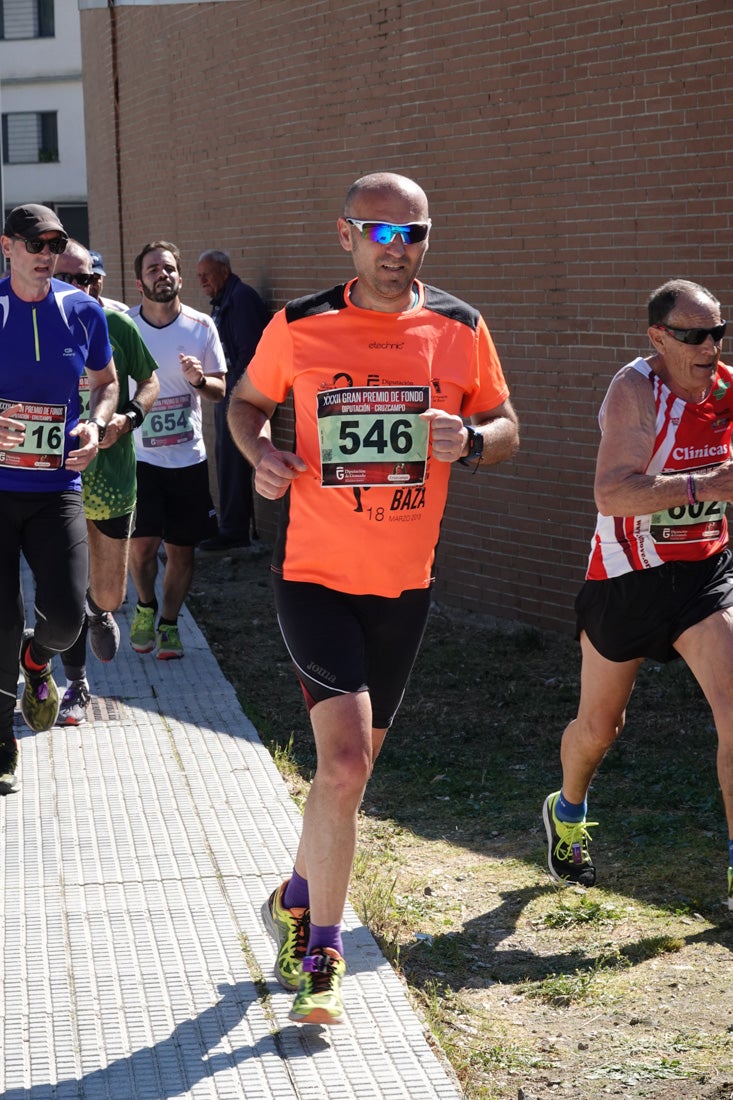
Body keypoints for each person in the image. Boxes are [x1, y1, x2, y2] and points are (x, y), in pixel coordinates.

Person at [227, 171, 519, 1024]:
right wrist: (261, 456)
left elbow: (507, 429)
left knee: (344, 780)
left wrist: (469, 439)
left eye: (415, 235)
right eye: (381, 235)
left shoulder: (458, 328)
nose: (399, 252)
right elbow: (247, 406)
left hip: (404, 585)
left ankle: (293, 895)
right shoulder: (301, 325)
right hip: (314, 576)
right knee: (345, 762)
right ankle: (322, 955)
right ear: (345, 236)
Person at [542, 279, 733, 912]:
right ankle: (567, 812)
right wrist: (710, 484)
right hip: (625, 579)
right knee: (600, 728)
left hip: (704, 575)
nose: (709, 346)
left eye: (717, 333)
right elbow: (613, 494)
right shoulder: (635, 390)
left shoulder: (729, 390)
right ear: (658, 338)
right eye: (692, 336)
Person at [0, 204, 118, 791]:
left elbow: (106, 383)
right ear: (8, 247)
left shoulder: (83, 311)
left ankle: (36, 661)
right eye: (34, 244)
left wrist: (97, 426)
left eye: (55, 244)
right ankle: (2, 745)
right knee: (0, 621)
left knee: (69, 618)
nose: (46, 254)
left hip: (56, 489)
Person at [53, 241, 160, 725]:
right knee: (65, 588)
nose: (85, 288)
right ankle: (75, 683)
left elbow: (150, 381)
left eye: (92, 278)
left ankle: (101, 611)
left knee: (111, 593)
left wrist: (127, 419)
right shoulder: (35, 327)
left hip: (113, 479)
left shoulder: (115, 324)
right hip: (56, 480)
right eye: (74, 279)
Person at [127, 240, 226, 659]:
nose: (161, 274)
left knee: (182, 551)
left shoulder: (201, 326)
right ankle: (145, 607)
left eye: (168, 268)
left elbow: (221, 392)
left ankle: (169, 623)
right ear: (139, 281)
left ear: (180, 277)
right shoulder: (126, 326)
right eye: (152, 269)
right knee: (142, 547)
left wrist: (201, 381)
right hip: (142, 459)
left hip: (187, 459)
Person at [196, 249, 269, 551]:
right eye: (199, 277)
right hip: (228, 393)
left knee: (234, 459)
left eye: (207, 275)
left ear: (224, 271)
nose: (202, 282)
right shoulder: (224, 300)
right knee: (226, 459)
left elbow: (250, 355)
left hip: (241, 397)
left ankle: (234, 530)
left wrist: (237, 396)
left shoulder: (241, 300)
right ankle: (230, 525)